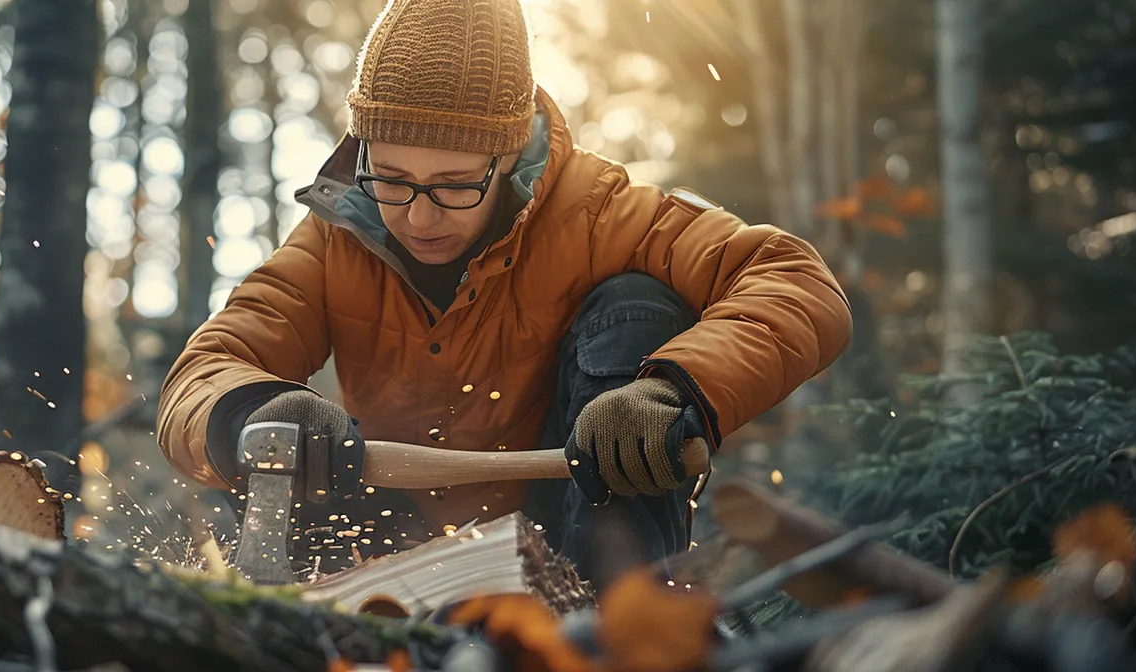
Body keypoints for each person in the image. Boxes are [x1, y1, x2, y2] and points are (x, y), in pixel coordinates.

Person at [156, 0, 852, 588]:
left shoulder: (600, 211)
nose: (418, 216)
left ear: (512, 154)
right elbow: (205, 370)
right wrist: (246, 411)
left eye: (456, 184)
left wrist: (677, 390)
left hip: (574, 528)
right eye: (392, 178)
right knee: (286, 435)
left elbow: (797, 282)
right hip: (393, 537)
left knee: (636, 307)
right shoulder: (335, 236)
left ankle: (622, 617)